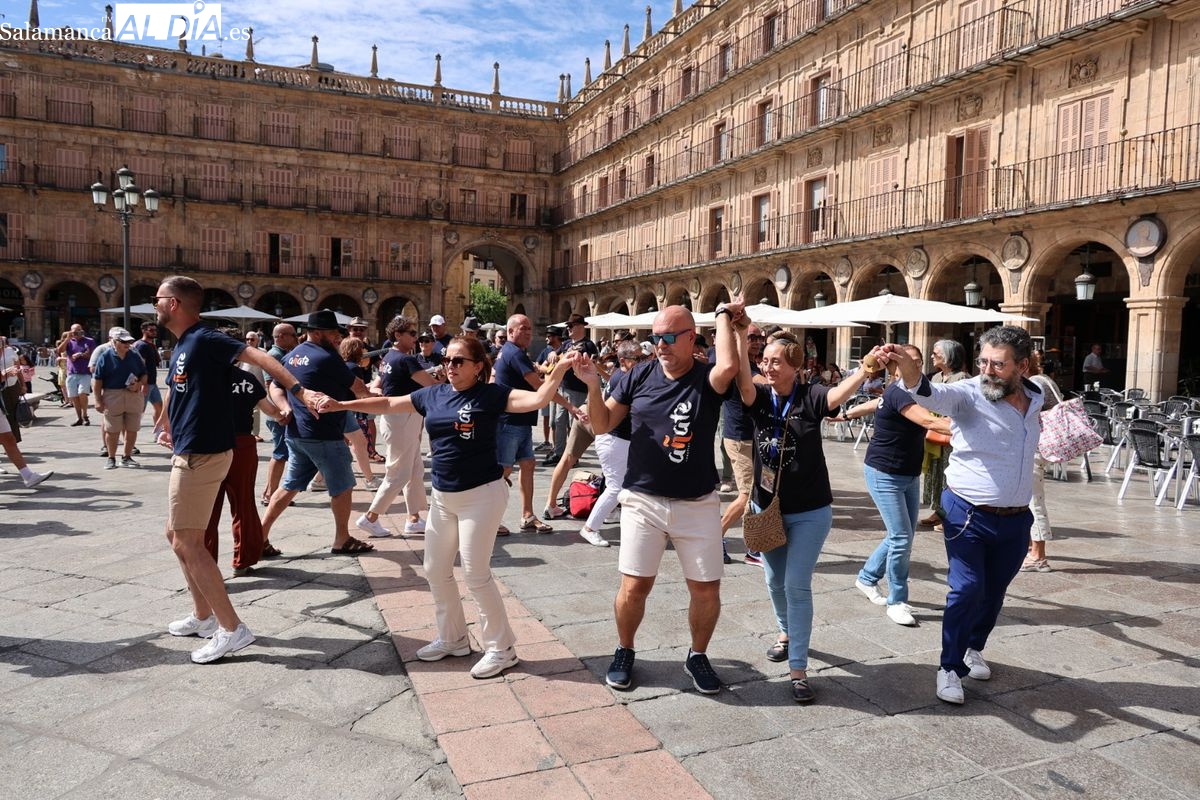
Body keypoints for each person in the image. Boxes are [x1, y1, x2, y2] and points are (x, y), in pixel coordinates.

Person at [319, 338, 580, 679]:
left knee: (475, 574)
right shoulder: (433, 394)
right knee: (435, 568)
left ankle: (502, 649)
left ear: (478, 366)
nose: (450, 366)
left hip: (482, 494)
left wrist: (559, 369)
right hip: (443, 497)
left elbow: (538, 399)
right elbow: (389, 402)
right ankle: (453, 638)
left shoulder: (492, 395)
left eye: (459, 361)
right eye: (447, 360)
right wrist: (340, 404)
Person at [576, 300, 742, 696]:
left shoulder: (707, 378)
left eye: (668, 337)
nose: (660, 345)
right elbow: (602, 424)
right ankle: (624, 649)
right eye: (655, 338)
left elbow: (729, 366)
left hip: (697, 502)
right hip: (642, 500)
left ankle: (697, 656)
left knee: (706, 589)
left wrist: (722, 314)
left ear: (691, 338)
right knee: (634, 586)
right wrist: (593, 385)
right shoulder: (637, 375)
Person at [154, 275, 313, 664]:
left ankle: (231, 628)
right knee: (176, 535)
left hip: (203, 453)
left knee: (188, 541)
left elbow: (262, 359)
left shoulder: (205, 339)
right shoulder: (184, 345)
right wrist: (166, 423)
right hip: (191, 449)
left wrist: (299, 390)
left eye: (158, 298)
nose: (154, 305)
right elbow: (178, 389)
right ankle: (203, 616)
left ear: (174, 303)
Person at [882, 325, 1044, 705]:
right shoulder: (970, 393)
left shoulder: (1036, 396)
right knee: (967, 589)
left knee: (994, 592)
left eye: (998, 364)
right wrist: (907, 367)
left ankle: (973, 648)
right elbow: (928, 392)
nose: (987, 370)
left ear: (1021, 366)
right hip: (968, 513)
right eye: (983, 361)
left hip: (1017, 517)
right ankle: (949, 668)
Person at [735, 331, 888, 703]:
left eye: (776, 361)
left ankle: (798, 669)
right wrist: (738, 333)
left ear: (794, 365)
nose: (768, 366)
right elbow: (740, 375)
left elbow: (838, 396)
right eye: (764, 360)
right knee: (774, 580)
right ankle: (786, 632)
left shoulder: (811, 396)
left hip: (810, 510)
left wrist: (865, 369)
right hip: (767, 508)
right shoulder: (758, 397)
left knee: (796, 585)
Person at [838, 345, 952, 627]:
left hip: (909, 473)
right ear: (894, 367)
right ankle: (897, 601)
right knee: (901, 537)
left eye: (919, 361)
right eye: (908, 361)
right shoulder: (898, 392)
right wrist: (983, 426)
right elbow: (927, 421)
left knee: (902, 535)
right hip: (884, 473)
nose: (915, 366)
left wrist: (848, 414)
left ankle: (867, 578)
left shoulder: (917, 391)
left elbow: (874, 404)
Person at [260, 310, 373, 555]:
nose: (337, 338)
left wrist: (284, 407)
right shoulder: (327, 358)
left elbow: (275, 387)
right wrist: (377, 397)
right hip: (324, 434)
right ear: (319, 333)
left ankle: (259, 537)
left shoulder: (292, 356)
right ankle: (342, 539)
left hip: (297, 434)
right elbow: (358, 387)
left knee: (289, 486)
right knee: (343, 486)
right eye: (333, 333)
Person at [204, 334, 287, 577]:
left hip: (209, 445)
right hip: (242, 444)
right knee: (243, 504)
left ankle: (204, 566)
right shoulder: (247, 379)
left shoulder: (202, 378)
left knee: (207, 509)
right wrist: (284, 414)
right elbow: (270, 410)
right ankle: (243, 560)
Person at [354, 316, 438, 539]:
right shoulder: (406, 359)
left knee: (415, 470)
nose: (416, 338)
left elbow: (380, 383)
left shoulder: (388, 357)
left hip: (398, 418)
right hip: (403, 418)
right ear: (397, 335)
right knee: (399, 474)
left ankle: (414, 518)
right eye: (412, 333)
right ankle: (370, 517)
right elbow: (431, 386)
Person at [493, 313, 577, 533]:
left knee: (528, 465)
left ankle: (527, 515)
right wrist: (570, 406)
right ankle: (487, 519)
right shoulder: (514, 353)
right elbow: (540, 387)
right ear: (510, 331)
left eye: (530, 328)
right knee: (503, 470)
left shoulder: (513, 352)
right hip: (510, 421)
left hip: (520, 420)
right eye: (523, 328)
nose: (529, 332)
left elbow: (536, 376)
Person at [576, 340, 642, 547]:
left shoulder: (622, 375)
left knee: (625, 485)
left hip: (618, 439)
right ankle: (589, 528)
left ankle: (619, 517)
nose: (643, 362)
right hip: (614, 439)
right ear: (623, 361)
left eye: (643, 357)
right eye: (638, 358)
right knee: (615, 487)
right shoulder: (623, 378)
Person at [717, 324, 764, 564]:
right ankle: (714, 538)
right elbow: (760, 382)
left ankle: (753, 547)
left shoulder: (750, 363)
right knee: (746, 494)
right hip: (739, 438)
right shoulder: (737, 364)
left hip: (751, 437)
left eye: (760, 337)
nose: (757, 341)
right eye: (752, 337)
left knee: (756, 493)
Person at [921, 339, 970, 529]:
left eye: (936, 353)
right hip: (935, 431)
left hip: (952, 434)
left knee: (950, 475)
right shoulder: (935, 377)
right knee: (936, 473)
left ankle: (948, 515)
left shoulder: (962, 378)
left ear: (948, 356)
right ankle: (938, 511)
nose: (932, 356)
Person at [1024, 350, 1061, 572]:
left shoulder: (1035, 384)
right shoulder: (1044, 380)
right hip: (1039, 448)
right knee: (1030, 499)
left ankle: (1038, 555)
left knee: (1033, 501)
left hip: (1036, 448)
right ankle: (1031, 548)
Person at [92, 327, 148, 470]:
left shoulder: (134, 355)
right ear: (115, 342)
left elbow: (144, 374)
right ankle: (111, 458)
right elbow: (97, 380)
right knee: (112, 430)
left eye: (129, 342)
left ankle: (126, 457)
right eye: (123, 342)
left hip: (133, 396)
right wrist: (97, 400)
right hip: (112, 395)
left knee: (132, 428)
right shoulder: (105, 356)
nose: (127, 344)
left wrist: (139, 384)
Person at [546, 314, 597, 466]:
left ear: (581, 326)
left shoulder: (588, 345)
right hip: (563, 386)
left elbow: (592, 362)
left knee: (573, 423)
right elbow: (556, 352)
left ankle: (573, 456)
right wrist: (552, 353)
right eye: (568, 326)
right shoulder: (567, 344)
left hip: (578, 388)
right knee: (558, 421)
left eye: (571, 326)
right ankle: (559, 453)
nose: (568, 329)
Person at [261, 322, 299, 511]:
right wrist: (280, 411)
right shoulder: (275, 355)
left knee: (281, 453)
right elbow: (271, 385)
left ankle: (271, 492)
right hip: (279, 413)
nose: (296, 338)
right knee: (280, 453)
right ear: (281, 337)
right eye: (293, 335)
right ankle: (271, 494)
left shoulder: (281, 353)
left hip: (280, 412)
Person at [338, 337, 380, 489]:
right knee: (360, 444)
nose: (364, 351)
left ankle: (319, 480)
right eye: (361, 348)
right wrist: (375, 393)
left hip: (340, 409)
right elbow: (360, 392)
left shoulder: (342, 366)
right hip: (349, 410)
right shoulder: (354, 368)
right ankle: (370, 479)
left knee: (343, 445)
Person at [133, 321, 165, 436]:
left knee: (159, 407)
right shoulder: (141, 345)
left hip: (152, 382)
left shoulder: (150, 345)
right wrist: (143, 384)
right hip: (146, 383)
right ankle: (130, 434)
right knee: (139, 411)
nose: (154, 332)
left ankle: (158, 433)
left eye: (155, 330)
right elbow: (140, 366)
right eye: (151, 330)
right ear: (143, 331)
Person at [61, 324, 96, 426]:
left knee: (82, 393)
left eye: (79, 330)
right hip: (72, 372)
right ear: (71, 332)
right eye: (75, 331)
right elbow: (59, 350)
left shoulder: (89, 341)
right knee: (74, 396)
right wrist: (67, 339)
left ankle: (85, 415)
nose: (77, 333)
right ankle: (79, 417)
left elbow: (93, 356)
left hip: (85, 372)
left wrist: (81, 354)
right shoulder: (69, 342)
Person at [240, 331, 266, 441]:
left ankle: (255, 434)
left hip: (257, 385)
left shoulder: (262, 352)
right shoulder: (241, 350)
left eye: (252, 339)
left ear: (257, 341)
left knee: (255, 411)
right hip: (242, 385)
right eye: (247, 339)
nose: (249, 341)